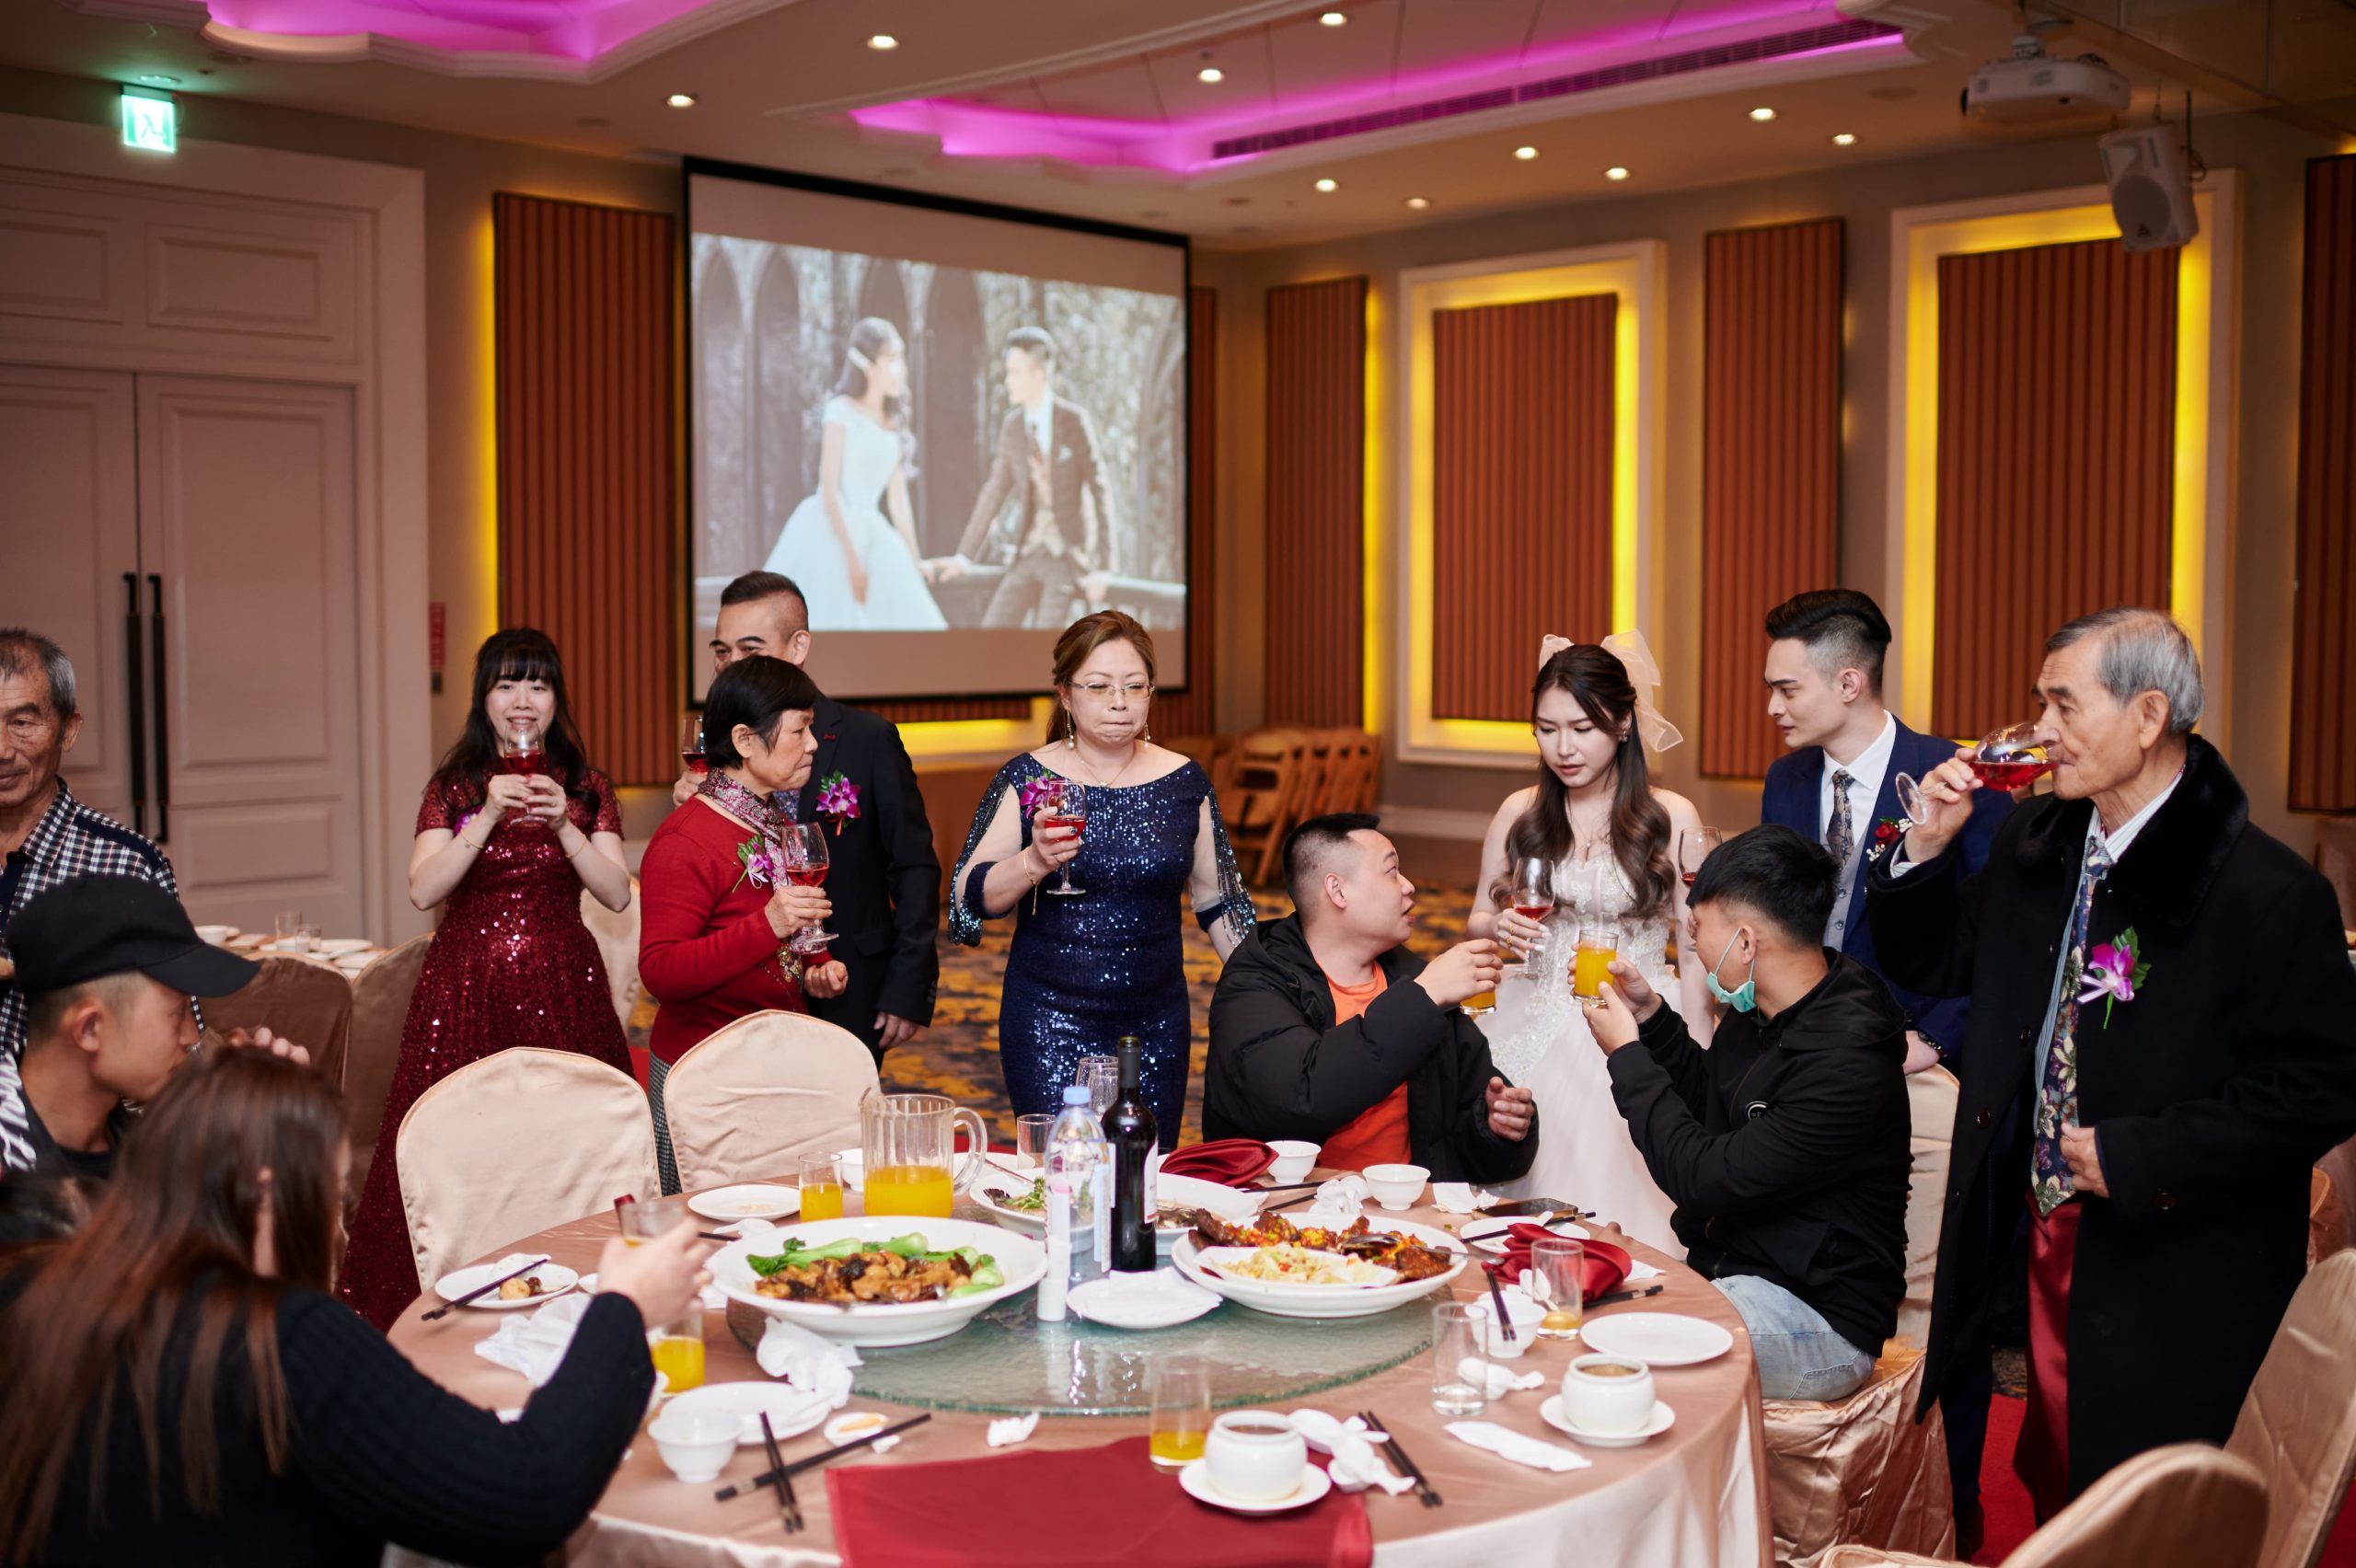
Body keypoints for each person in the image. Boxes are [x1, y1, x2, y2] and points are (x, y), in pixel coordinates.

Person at [1865, 606, 2356, 1515]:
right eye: (2039, 704)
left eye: (2064, 705)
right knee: (2058, 1474)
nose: (2040, 730)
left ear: (2147, 716)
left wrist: (2141, 1153)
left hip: (2178, 1261)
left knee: (2154, 1505)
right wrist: (1924, 845)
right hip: (2039, 1231)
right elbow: (1938, 962)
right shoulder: (2037, 843)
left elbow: (2322, 1088)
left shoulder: (2267, 892)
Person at [0, 1047, 715, 1566]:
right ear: (269, 1197)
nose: (339, 1227)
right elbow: (527, 1493)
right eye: (330, 1193)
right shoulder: (280, 1339)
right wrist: (623, 1306)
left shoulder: (59, 1290)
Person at [337, 629, 639, 1329]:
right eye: (507, 684)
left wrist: (565, 825)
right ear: (485, 699)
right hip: (464, 991)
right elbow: (423, 889)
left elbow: (616, 894)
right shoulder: (455, 788)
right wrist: (490, 814)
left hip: (564, 985)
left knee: (569, 1143)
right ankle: (441, 1302)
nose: (522, 699)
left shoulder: (586, 788)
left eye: (537, 684)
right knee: (456, 1144)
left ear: (556, 699)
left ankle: (580, 1293)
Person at [1585, 826, 1911, 1400]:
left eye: (1698, 928)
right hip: (1736, 1274)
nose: (1692, 944)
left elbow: (1702, 1177)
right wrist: (1652, 1019)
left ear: (1745, 942)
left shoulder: (1846, 1063)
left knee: (1614, 1344)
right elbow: (1711, 1104)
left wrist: (1627, 1058)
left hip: (1819, 1319)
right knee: (1580, 1300)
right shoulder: (1765, 1005)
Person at [951, 611, 1254, 1136]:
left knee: (1144, 1166)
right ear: (1065, 695)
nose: (1120, 702)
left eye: (1134, 687)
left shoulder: (1183, 780)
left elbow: (1219, 902)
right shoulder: (1029, 778)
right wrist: (1034, 862)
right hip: (1049, 1017)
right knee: (1062, 1166)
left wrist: (1270, 983)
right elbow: (969, 895)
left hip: (1156, 1021)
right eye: (1099, 686)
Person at [1466, 633, 1706, 1253]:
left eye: (1582, 728)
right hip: (1536, 1008)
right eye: (1547, 730)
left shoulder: (1670, 815)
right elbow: (1477, 919)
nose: (1563, 748)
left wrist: (1703, 1051)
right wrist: (1499, 926)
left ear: (1624, 724)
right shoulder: (1521, 812)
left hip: (1637, 1013)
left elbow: (1696, 945)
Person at [671, 571, 939, 1060]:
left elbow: (913, 867)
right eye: (722, 651)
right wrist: (694, 811)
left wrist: (909, 984)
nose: (730, 665)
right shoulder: (722, 746)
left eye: (750, 649)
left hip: (847, 977)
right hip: (742, 994)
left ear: (797, 647)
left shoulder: (867, 739)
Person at [1206, 814, 1536, 1182]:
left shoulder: (1409, 977)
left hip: (1403, 1207)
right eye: (1392, 872)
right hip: (1291, 1206)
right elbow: (1302, 1099)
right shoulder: (1256, 984)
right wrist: (1424, 997)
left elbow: (1460, 1132)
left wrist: (1494, 1126)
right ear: (1338, 891)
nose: (1409, 886)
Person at [1761, 589, 2008, 1073]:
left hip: (1914, 1051)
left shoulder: (1956, 777)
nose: (1772, 706)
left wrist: (1935, 1040)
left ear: (1848, 683)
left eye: (1787, 691)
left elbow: (2000, 933)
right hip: (1800, 1047)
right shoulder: (1784, 780)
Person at [642, 655, 849, 1192]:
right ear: (744, 740)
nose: (812, 743)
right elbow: (661, 972)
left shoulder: (771, 820)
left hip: (777, 1062)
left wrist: (815, 965)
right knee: (706, 1225)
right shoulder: (685, 839)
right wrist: (768, 924)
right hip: (705, 1077)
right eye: (799, 729)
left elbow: (775, 933)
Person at [0, 630, 181, 1170]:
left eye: (23, 722)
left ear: (69, 729)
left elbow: (175, 1046)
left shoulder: (126, 865)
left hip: (65, 1161)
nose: (2, 750)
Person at [7, 874, 307, 1183]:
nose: (192, 1036)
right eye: (178, 1012)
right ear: (89, 1029)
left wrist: (270, 1119)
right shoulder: (11, 1176)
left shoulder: (143, 1141)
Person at [763, 318, 947, 631]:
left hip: (875, 532)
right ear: (868, 366)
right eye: (892, 360)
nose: (901, 369)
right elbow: (829, 489)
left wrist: (914, 558)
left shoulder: (893, 420)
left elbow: (898, 500)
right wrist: (852, 560)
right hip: (830, 528)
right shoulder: (841, 411)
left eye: (901, 359)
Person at [931, 328, 1115, 630]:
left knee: (1048, 641)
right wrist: (964, 556)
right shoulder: (1014, 427)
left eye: (1015, 372)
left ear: (1038, 374)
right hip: (1027, 553)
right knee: (991, 634)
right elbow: (994, 491)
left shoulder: (1073, 421)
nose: (1007, 381)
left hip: (1064, 557)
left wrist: (1104, 568)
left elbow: (1100, 489)